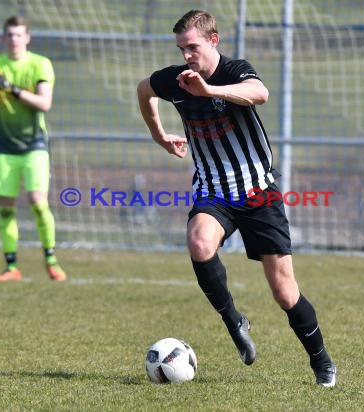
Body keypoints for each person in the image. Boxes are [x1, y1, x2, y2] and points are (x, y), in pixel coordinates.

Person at [137, 10, 336, 387]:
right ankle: (234, 319)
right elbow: (144, 90)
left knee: (284, 291)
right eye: (181, 48)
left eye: (192, 47)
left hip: (258, 191)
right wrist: (159, 135)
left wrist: (210, 91)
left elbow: (259, 93)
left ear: (213, 40)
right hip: (213, 190)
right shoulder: (174, 80)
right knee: (199, 241)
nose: (186, 56)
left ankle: (321, 361)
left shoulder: (233, 71)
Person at [0, 16, 66, 282]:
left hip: (34, 145)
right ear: (4, 38)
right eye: (10, 35)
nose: (14, 39)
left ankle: (51, 260)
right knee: (5, 208)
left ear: (27, 37)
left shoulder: (40, 64)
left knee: (38, 203)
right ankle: (11, 267)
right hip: (4, 146)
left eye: (19, 35)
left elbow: (44, 103)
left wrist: (11, 88)